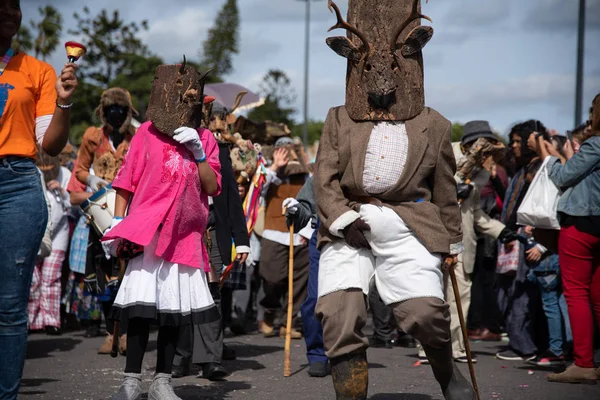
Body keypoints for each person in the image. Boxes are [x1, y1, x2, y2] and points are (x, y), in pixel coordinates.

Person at [314, 1, 473, 398]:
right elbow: (325, 180)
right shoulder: (339, 118)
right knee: (339, 314)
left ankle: (446, 371)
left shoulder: (434, 125)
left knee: (425, 314)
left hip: (409, 230)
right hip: (350, 227)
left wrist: (451, 243)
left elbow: (444, 189)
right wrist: (343, 222)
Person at [102, 62, 221, 400]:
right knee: (140, 311)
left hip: (184, 238)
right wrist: (116, 224)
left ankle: (162, 382)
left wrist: (198, 151)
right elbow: (126, 182)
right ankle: (131, 381)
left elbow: (212, 187)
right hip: (147, 234)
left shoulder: (207, 138)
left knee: (173, 313)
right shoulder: (146, 133)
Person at [0, 0, 78, 397]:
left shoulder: (38, 71)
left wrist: (63, 100)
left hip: (16, 185)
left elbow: (51, 143)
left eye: (15, 5)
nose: (11, 12)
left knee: (10, 308)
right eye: (2, 5)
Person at [539, 118, 600, 384]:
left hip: (582, 222)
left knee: (576, 293)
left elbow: (564, 175)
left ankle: (584, 363)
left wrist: (550, 158)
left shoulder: (595, 145)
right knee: (597, 294)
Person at [259, 138, 310, 339]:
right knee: (271, 277)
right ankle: (270, 312)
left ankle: (289, 321)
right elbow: (259, 191)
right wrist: (274, 166)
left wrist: (307, 231)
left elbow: (313, 201)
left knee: (299, 281)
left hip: (300, 235)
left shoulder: (306, 175)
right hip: (274, 233)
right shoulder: (269, 174)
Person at [283, 176, 330, 377]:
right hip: (322, 239)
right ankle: (317, 354)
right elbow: (305, 211)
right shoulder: (319, 175)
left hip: (355, 239)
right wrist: (296, 210)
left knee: (348, 302)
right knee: (314, 300)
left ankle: (347, 352)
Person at [28, 149, 72, 335]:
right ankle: (33, 319)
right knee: (34, 279)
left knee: (51, 278)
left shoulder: (66, 174)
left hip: (58, 235)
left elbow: (74, 203)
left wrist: (63, 192)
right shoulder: (32, 174)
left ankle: (51, 321)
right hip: (36, 234)